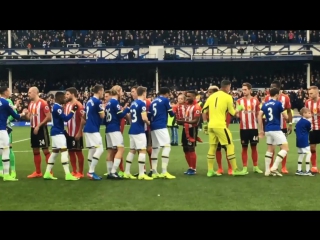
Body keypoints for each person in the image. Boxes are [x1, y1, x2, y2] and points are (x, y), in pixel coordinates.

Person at [202, 80, 246, 177]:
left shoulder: (211, 96)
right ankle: (235, 170)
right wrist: (239, 108)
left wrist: (205, 124)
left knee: (212, 147)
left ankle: (210, 171)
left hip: (211, 125)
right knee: (230, 146)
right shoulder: (228, 97)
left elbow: (204, 111)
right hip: (220, 125)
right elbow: (233, 113)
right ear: (228, 87)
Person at [43, 92, 79, 181]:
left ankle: (47, 173)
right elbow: (66, 118)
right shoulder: (57, 107)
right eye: (63, 97)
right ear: (59, 98)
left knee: (54, 153)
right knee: (64, 151)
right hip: (58, 133)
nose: (65, 99)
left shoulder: (56, 106)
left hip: (56, 132)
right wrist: (73, 111)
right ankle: (67, 174)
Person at [258, 87, 289, 177]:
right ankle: (274, 167)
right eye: (278, 94)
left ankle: (267, 171)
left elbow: (259, 116)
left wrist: (261, 130)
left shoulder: (265, 104)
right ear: (276, 95)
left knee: (270, 150)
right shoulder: (278, 103)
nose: (279, 96)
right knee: (285, 148)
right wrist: (288, 117)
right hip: (276, 129)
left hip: (267, 129)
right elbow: (285, 117)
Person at [124, 86, 153, 180]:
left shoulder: (133, 103)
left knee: (132, 150)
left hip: (132, 129)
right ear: (144, 93)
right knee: (142, 150)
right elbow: (144, 118)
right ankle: (141, 173)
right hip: (139, 131)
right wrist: (149, 123)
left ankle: (127, 172)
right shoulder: (142, 103)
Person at [264, 80, 292, 174]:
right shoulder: (267, 97)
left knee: (282, 147)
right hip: (274, 127)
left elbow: (288, 111)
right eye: (270, 87)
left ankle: (283, 167)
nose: (271, 89)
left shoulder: (286, 98)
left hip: (282, 126)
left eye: (273, 87)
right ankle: (272, 167)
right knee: (274, 148)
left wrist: (290, 124)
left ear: (278, 88)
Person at [0, 86, 27, 181]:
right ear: (5, 92)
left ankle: (2, 172)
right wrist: (23, 113)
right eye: (8, 91)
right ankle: (7, 175)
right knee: (6, 151)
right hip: (2, 130)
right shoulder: (6, 102)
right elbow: (15, 116)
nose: (9, 92)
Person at [25, 87, 52, 178]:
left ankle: (50, 172)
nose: (28, 94)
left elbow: (49, 117)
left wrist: (38, 126)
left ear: (35, 92)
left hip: (41, 129)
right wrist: (26, 114)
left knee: (45, 150)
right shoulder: (30, 104)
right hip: (33, 129)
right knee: (35, 150)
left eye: (29, 93)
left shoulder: (43, 103)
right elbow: (29, 117)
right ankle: (38, 172)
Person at [149, 87, 176, 179]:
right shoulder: (165, 100)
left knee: (155, 148)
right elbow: (171, 113)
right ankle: (164, 171)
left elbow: (149, 114)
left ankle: (154, 171)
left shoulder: (153, 101)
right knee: (167, 146)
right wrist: (175, 112)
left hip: (153, 125)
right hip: (161, 125)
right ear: (167, 93)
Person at [236, 83, 263, 174]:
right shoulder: (239, 101)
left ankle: (255, 167)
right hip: (243, 128)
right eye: (242, 90)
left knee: (254, 147)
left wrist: (261, 129)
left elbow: (259, 116)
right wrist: (238, 110)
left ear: (250, 90)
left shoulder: (255, 101)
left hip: (253, 128)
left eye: (245, 89)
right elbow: (235, 114)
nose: (243, 91)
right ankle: (244, 168)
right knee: (244, 148)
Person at [206, 86, 232, 175]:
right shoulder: (210, 102)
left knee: (227, 148)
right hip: (214, 128)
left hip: (222, 128)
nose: (208, 94)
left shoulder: (223, 101)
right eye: (208, 92)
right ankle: (220, 168)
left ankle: (230, 168)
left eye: (210, 92)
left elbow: (229, 114)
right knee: (217, 149)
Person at [105, 86, 130, 179]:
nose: (122, 93)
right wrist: (126, 110)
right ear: (118, 91)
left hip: (108, 128)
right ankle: (113, 171)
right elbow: (120, 115)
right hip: (114, 128)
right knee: (121, 149)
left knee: (110, 151)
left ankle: (109, 172)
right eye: (122, 91)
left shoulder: (108, 103)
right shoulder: (115, 102)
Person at [82, 84, 105, 180]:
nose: (103, 93)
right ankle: (91, 171)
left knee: (92, 150)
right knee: (100, 149)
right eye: (102, 91)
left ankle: (91, 172)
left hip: (87, 128)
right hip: (93, 129)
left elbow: (84, 114)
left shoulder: (89, 101)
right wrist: (103, 108)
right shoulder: (97, 101)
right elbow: (102, 116)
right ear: (99, 91)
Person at [176, 90, 201, 175]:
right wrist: (180, 121)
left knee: (191, 149)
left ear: (194, 97)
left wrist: (184, 122)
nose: (187, 98)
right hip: (185, 129)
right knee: (185, 149)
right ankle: (190, 167)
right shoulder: (188, 106)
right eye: (187, 96)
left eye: (189, 96)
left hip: (192, 130)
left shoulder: (196, 107)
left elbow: (195, 120)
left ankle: (193, 169)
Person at [65, 87, 85, 178]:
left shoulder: (78, 105)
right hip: (69, 133)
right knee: (71, 152)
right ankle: (74, 171)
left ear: (73, 94)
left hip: (76, 132)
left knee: (78, 152)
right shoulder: (67, 105)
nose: (66, 96)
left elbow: (83, 119)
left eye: (68, 94)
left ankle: (80, 172)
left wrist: (79, 132)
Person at [0, 98, 19, 178]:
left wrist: (7, 119)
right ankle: (1, 170)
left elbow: (14, 113)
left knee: (9, 149)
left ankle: (13, 170)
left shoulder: (8, 101)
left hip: (6, 128)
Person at [305, 86, 320, 173]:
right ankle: (314, 166)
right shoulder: (307, 102)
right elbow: (305, 114)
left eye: (311, 93)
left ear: (317, 93)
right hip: (312, 128)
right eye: (309, 93)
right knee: (312, 148)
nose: (309, 95)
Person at [294, 107, 313, 176]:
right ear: (304, 114)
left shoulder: (299, 122)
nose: (310, 114)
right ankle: (308, 170)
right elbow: (309, 130)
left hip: (298, 140)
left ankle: (299, 170)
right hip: (304, 140)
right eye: (309, 113)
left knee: (301, 154)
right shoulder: (307, 122)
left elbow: (295, 129)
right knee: (308, 153)